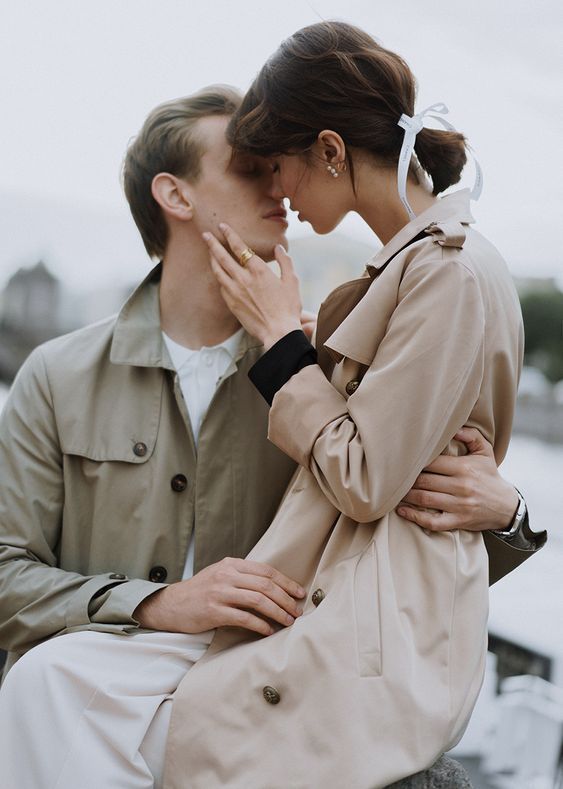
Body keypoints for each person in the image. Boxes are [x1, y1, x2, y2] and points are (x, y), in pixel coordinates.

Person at [0, 83, 542, 788]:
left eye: (280, 162)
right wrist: (158, 603)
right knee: (41, 684)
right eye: (251, 167)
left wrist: (509, 516)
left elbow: (394, 557)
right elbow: (7, 574)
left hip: (270, 692)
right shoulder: (56, 375)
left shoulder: (321, 375)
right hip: (104, 706)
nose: (281, 184)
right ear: (176, 195)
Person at [158, 22, 546, 788]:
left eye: (281, 166)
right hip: (362, 610)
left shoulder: (448, 272)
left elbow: (363, 476)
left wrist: (277, 341)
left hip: (372, 641)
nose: (278, 191)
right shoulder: (411, 270)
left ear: (330, 152)